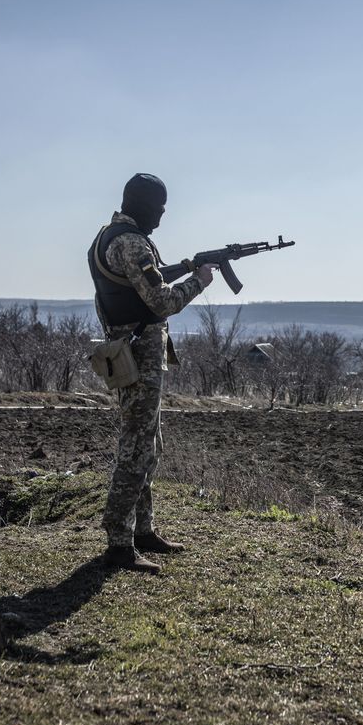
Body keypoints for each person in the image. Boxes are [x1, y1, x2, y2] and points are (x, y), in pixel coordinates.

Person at [88, 173, 216, 573]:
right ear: (141, 204)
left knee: (149, 445)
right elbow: (159, 301)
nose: (162, 215)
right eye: (158, 207)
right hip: (137, 356)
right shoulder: (130, 242)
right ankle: (119, 543)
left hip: (134, 352)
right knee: (136, 449)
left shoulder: (111, 235)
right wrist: (199, 280)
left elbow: (144, 283)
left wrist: (185, 265)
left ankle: (143, 530)